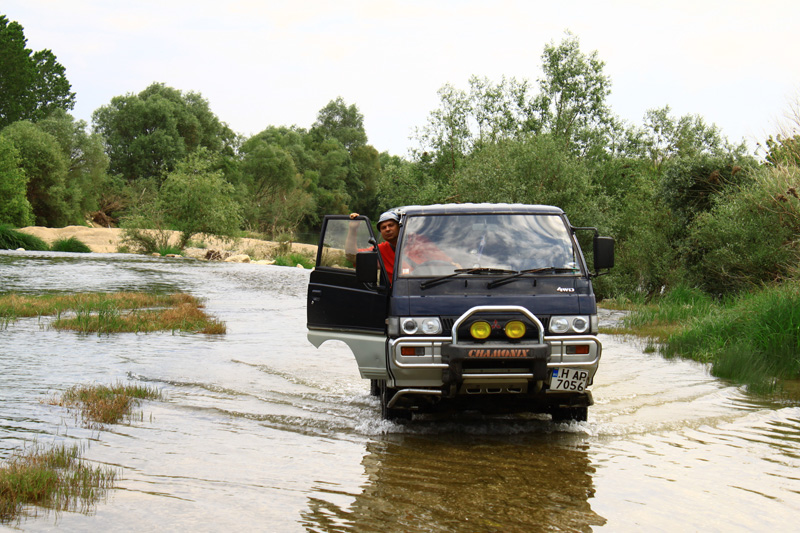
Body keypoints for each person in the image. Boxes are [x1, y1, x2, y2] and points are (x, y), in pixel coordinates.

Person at [345, 210, 401, 284]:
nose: (387, 229)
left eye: (391, 225)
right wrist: (352, 229)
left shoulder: (414, 245)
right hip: (396, 290)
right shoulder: (382, 250)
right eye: (383, 227)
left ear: (399, 227)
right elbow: (352, 256)